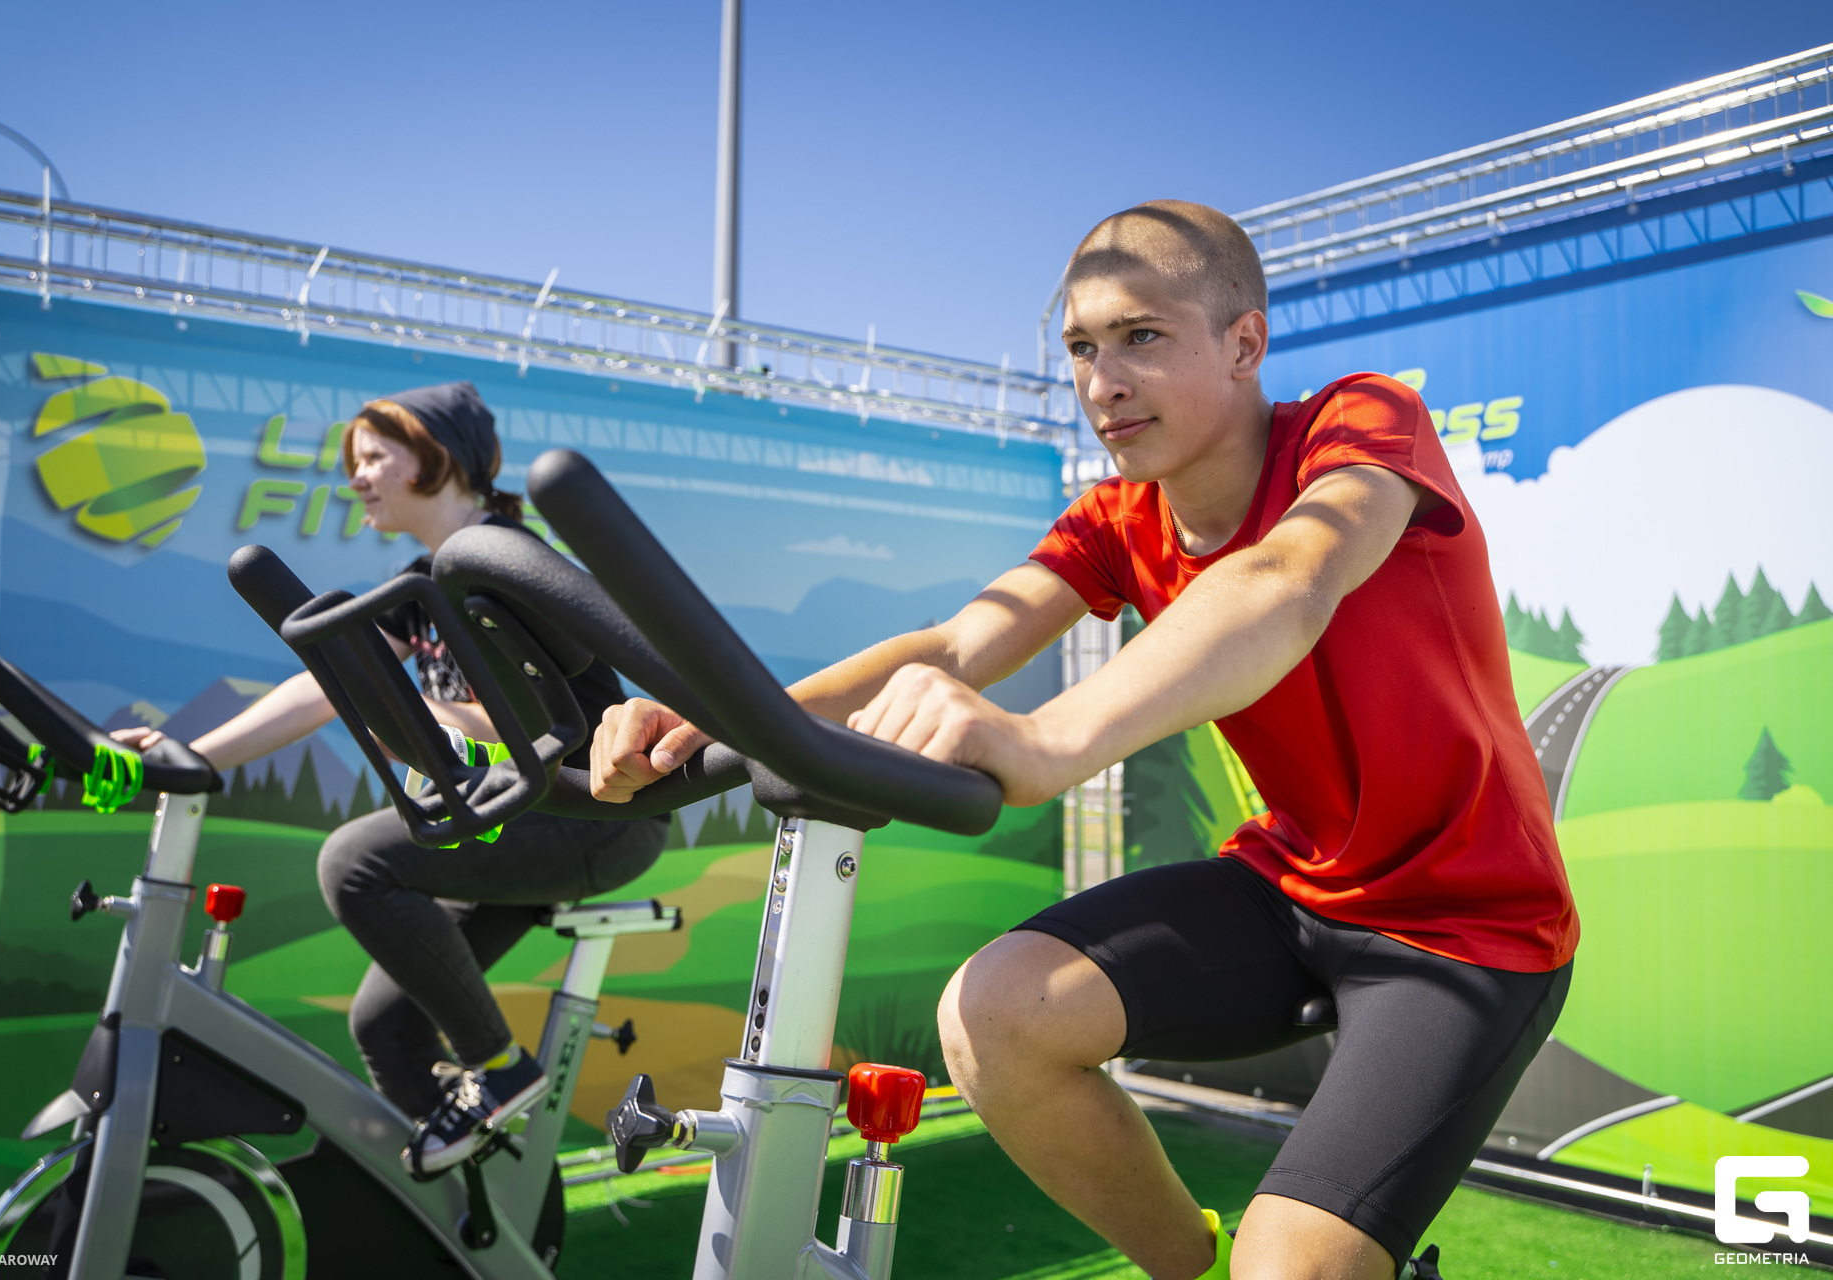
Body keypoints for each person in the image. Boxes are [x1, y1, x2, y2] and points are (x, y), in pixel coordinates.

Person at [587, 203, 1578, 1280]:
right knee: (994, 1016)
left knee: (1290, 1265)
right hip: (1289, 887)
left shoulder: (1358, 424)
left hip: (1467, 924)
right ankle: (1192, 1265)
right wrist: (721, 716)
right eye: (1081, 348)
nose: (1102, 382)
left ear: (1243, 343)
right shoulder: (1117, 517)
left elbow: (1287, 580)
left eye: (1140, 336)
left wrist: (1050, 739)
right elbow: (960, 640)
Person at [114, 382, 668, 1176]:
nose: (358, 476)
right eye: (356, 461)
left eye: (374, 456)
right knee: (386, 1024)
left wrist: (410, 714)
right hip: (507, 814)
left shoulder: (508, 561)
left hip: (595, 817)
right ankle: (470, 1205)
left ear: (435, 458)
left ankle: (501, 1068)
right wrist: (191, 755)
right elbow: (323, 687)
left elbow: (547, 726)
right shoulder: (423, 582)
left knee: (354, 862)